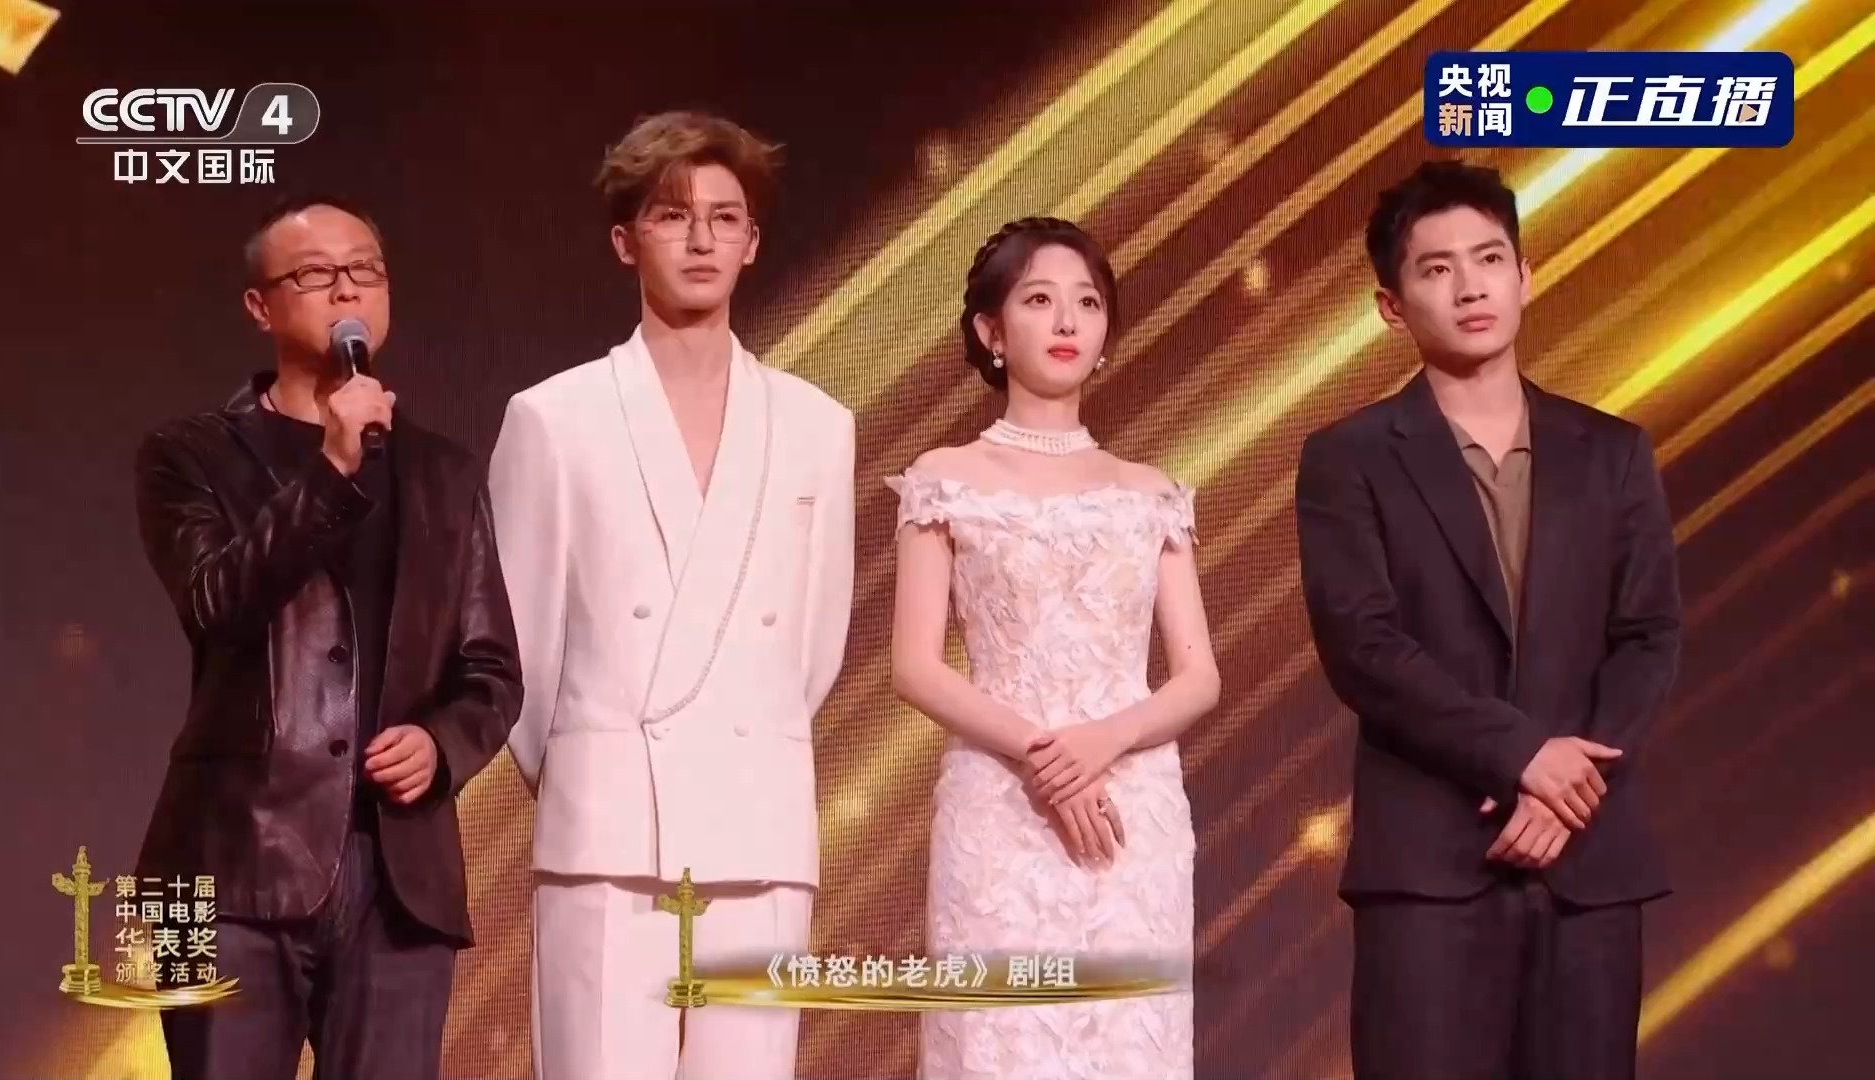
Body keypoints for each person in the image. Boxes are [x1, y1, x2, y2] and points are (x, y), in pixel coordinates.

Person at [1295, 159, 1683, 1080]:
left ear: (1525, 276)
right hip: (1429, 868)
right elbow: (1363, 647)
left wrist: (1564, 788)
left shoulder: (1612, 451)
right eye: (1437, 269)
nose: (1470, 286)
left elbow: (1647, 635)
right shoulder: (1348, 457)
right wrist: (1520, 756)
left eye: (1489, 258)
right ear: (1391, 307)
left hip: (1587, 866)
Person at [489, 111, 856, 1080]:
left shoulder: (817, 427)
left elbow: (813, 647)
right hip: (606, 825)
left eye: (724, 218)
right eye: (671, 216)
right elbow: (517, 653)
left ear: (753, 242)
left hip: (759, 817)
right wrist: (593, 764)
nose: (701, 240)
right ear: (625, 241)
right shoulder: (553, 418)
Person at [133, 194, 522, 1079]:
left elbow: (491, 669)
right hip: (226, 867)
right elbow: (214, 599)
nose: (347, 289)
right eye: (315, 274)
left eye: (365, 271)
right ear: (260, 306)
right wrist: (335, 467)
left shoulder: (444, 470)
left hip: (399, 881)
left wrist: (442, 743)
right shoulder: (187, 455)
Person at [886, 216, 1220, 1079]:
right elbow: (914, 666)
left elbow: (1197, 677)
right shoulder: (945, 478)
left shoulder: (1150, 493)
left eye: (1088, 303)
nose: (1068, 321)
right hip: (1000, 807)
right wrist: (1045, 758)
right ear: (991, 332)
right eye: (1039, 300)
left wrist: (1103, 741)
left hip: (1131, 809)